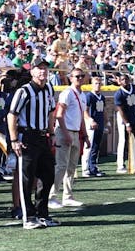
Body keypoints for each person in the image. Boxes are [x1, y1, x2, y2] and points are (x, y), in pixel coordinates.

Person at [7, 60, 58, 229]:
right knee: (27, 178)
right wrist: (14, 140)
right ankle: (28, 216)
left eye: (45, 68)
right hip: (27, 136)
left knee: (48, 175)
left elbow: (51, 111)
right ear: (32, 72)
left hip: (43, 136)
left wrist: (52, 132)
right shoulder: (24, 91)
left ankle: (42, 213)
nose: (43, 71)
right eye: (39, 68)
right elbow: (12, 115)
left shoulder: (49, 88)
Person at [50, 68, 87, 208]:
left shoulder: (82, 95)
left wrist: (85, 135)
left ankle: (68, 195)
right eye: (77, 76)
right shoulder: (67, 93)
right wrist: (65, 134)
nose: (80, 78)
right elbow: (59, 115)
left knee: (71, 167)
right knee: (61, 166)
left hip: (75, 132)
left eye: (82, 76)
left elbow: (81, 117)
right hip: (65, 131)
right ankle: (52, 195)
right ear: (70, 78)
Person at [114, 72, 135, 172]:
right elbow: (121, 110)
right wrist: (127, 124)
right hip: (123, 117)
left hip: (134, 115)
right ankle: (120, 165)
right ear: (119, 81)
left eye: (126, 79)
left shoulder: (134, 88)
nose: (125, 81)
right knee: (123, 140)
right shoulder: (119, 94)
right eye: (122, 79)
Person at [82, 74, 107, 177]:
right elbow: (85, 111)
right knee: (88, 146)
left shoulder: (102, 97)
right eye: (96, 83)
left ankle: (93, 167)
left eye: (99, 83)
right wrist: (90, 120)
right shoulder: (89, 96)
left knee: (96, 147)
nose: (98, 85)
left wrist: (107, 122)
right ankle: (85, 168)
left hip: (99, 123)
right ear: (92, 85)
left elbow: (104, 110)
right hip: (91, 124)